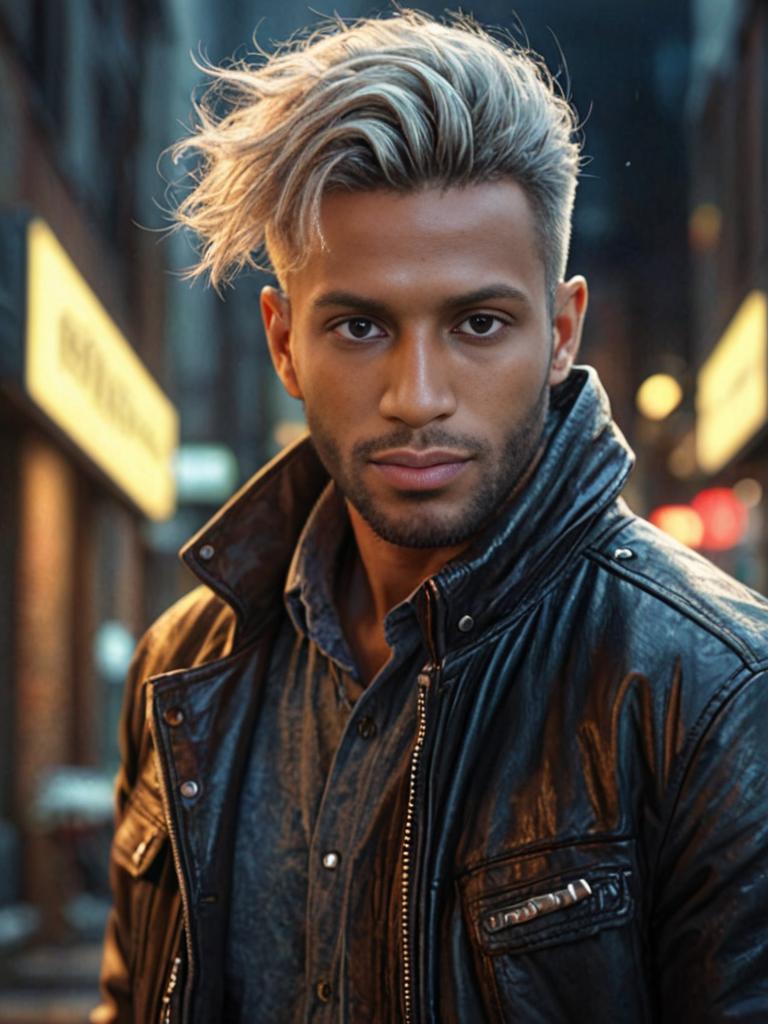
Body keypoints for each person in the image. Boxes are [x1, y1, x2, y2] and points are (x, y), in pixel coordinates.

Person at [92, 10, 768, 1024]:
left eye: (478, 323)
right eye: (358, 324)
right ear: (282, 341)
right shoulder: (186, 667)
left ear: (561, 331)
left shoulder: (713, 693)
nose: (416, 394)